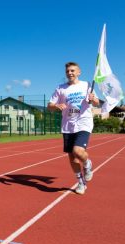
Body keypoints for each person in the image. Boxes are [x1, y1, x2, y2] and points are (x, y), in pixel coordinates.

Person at [47, 62, 99, 195]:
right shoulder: (61, 88)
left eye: (72, 71)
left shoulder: (87, 85)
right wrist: (56, 106)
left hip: (83, 122)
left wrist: (93, 99)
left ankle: (87, 164)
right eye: (68, 71)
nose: (70, 73)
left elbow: (97, 102)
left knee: (78, 151)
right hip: (68, 125)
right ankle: (81, 182)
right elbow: (49, 105)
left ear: (79, 72)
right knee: (72, 156)